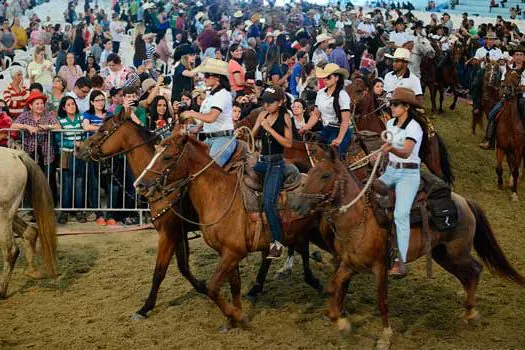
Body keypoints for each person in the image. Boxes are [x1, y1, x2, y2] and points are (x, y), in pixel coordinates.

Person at [376, 87, 428, 277]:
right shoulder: (390, 123)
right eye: (391, 104)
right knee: (368, 192)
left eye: (395, 104)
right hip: (391, 170)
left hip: (408, 174)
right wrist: (381, 155)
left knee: (401, 214)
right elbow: (387, 144)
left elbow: (406, 151)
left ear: (406, 107)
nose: (392, 107)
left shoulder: (414, 127)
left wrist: (390, 150)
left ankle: (401, 260)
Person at [251, 86, 293, 259]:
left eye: (270, 102)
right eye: (265, 102)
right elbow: (252, 134)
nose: (266, 105)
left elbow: (288, 143)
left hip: (276, 164)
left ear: (280, 102)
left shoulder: (285, 117)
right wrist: (243, 133)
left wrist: (269, 129)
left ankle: (277, 241)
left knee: (269, 202)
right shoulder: (263, 115)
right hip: (262, 161)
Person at [181, 58, 237, 167]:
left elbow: (211, 117)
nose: (204, 78)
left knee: (208, 169)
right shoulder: (212, 95)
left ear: (217, 78)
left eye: (207, 75)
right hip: (210, 138)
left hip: (222, 140)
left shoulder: (222, 94)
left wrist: (191, 113)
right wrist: (198, 127)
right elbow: (207, 117)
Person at [11, 91, 60, 204]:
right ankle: (34, 208)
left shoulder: (48, 115)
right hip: (31, 154)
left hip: (47, 153)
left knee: (49, 180)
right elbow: (13, 125)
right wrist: (26, 126)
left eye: (41, 103)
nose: (40, 106)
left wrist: (47, 127)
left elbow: (58, 126)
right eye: (37, 104)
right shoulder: (25, 115)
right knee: (33, 181)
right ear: (30, 106)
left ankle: (51, 205)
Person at [300, 63, 353, 155]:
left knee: (336, 155)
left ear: (336, 78)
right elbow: (316, 115)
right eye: (324, 78)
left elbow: (345, 120)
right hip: (326, 129)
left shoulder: (342, 95)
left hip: (340, 130)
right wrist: (306, 127)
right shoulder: (320, 93)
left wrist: (339, 138)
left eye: (328, 77)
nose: (325, 80)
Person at [480, 45, 525, 150]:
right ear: (513, 56)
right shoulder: (508, 68)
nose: (518, 57)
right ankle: (489, 139)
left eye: (521, 55)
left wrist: (520, 89)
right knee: (492, 114)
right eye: (516, 54)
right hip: (507, 98)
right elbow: (502, 83)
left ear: (524, 57)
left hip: (522, 98)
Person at [82, 89, 117, 226]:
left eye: (102, 100)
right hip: (93, 153)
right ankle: (99, 214)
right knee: (94, 184)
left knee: (111, 184)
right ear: (92, 102)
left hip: (108, 153)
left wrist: (96, 127)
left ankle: (111, 214)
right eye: (97, 100)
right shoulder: (87, 114)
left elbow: (113, 128)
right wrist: (102, 129)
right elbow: (86, 126)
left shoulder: (109, 114)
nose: (100, 103)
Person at [56, 96, 86, 224]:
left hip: (79, 154)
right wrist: (74, 143)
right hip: (66, 154)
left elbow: (85, 135)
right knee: (66, 184)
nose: (71, 106)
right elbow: (58, 140)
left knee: (79, 183)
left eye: (73, 104)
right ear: (63, 107)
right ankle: (64, 211)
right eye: (68, 105)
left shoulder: (81, 118)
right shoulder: (60, 121)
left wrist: (81, 143)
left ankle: (79, 211)